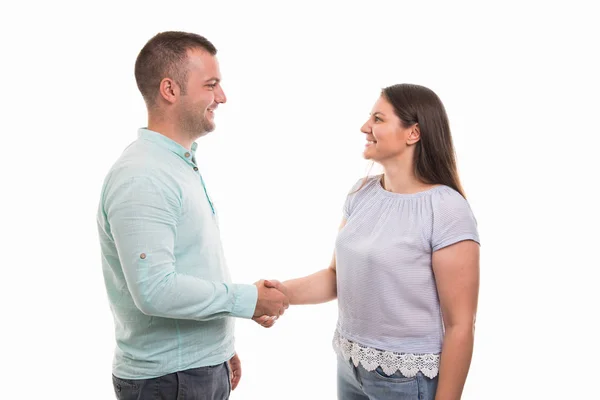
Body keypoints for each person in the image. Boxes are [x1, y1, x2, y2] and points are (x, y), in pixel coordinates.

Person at [96, 31, 287, 400]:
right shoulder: (143, 175)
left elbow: (191, 264)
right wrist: (248, 301)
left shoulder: (174, 165)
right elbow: (155, 290)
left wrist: (218, 347)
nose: (222, 97)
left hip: (192, 371)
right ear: (170, 89)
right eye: (211, 85)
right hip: (171, 381)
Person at [265, 83, 480, 400]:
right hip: (350, 366)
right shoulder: (361, 192)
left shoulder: (446, 209)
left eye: (378, 119)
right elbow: (337, 278)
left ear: (413, 133)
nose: (365, 127)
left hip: (407, 380)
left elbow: (461, 325)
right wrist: (279, 293)